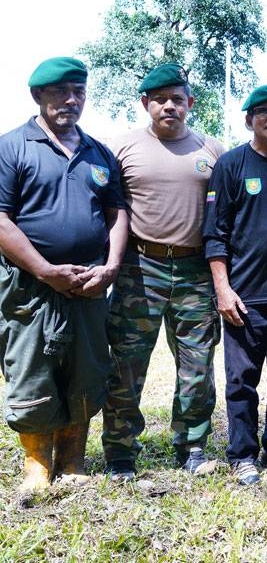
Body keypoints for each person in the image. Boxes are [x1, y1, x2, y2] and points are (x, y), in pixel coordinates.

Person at [0, 57, 128, 501]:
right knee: (32, 372)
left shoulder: (99, 152)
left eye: (79, 91)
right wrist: (45, 270)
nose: (71, 100)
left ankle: (73, 461)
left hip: (89, 287)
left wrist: (110, 267)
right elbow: (1, 219)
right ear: (38, 95)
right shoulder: (12, 147)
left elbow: (117, 213)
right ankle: (37, 464)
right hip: (30, 288)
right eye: (60, 92)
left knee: (86, 372)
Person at [102, 62, 226, 480]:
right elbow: (105, 209)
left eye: (177, 99)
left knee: (198, 365)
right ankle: (120, 451)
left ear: (191, 102)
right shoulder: (121, 148)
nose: (169, 106)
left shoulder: (213, 150)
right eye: (160, 100)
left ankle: (191, 446)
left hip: (195, 270)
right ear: (145, 104)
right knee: (126, 363)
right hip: (140, 268)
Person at [203, 84, 267, 486]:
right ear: (249, 121)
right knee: (242, 380)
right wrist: (223, 289)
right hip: (244, 297)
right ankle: (242, 454)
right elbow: (214, 234)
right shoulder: (231, 165)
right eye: (263, 111)